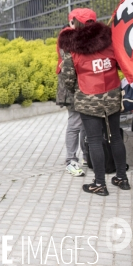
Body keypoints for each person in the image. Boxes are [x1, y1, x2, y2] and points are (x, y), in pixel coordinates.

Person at [58, 8, 130, 195]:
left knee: (95, 140)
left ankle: (99, 184)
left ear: (76, 23)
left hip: (88, 97)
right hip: (112, 94)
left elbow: (67, 76)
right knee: (115, 136)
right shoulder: (110, 40)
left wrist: (77, 90)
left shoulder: (71, 46)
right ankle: (122, 178)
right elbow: (120, 63)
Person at [56, 25, 87, 176]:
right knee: (75, 123)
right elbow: (68, 65)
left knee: (86, 124)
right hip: (72, 87)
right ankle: (71, 160)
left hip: (85, 87)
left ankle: (87, 157)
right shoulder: (67, 35)